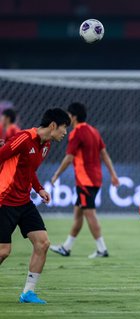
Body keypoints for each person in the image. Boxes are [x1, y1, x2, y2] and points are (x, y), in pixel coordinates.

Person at [0, 108, 70, 304]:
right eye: (64, 128)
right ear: (53, 125)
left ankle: (28, 293)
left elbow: (29, 170)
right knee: (3, 251)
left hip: (23, 202)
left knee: (42, 243)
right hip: (4, 201)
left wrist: (39, 189)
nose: (65, 133)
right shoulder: (23, 138)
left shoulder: (45, 145)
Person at [49, 103, 119, 258]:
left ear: (73, 116)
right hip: (96, 179)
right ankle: (66, 247)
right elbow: (104, 154)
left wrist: (56, 175)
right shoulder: (94, 131)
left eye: (68, 114)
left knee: (90, 214)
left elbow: (69, 158)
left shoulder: (76, 133)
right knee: (78, 214)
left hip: (85, 181)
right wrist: (113, 174)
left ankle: (102, 249)